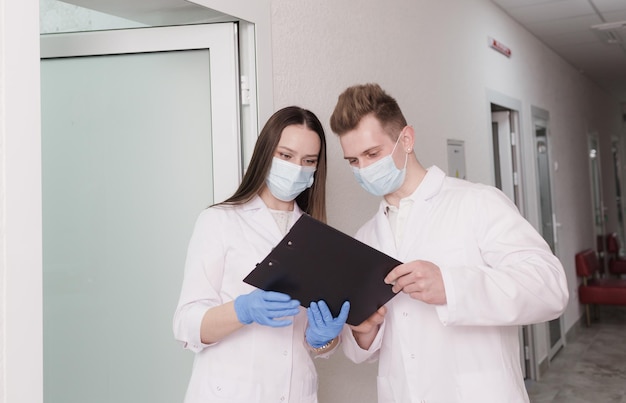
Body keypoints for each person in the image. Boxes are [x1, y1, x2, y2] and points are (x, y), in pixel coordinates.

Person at [329, 83, 569, 403]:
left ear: (407, 139)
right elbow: (367, 349)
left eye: (373, 154)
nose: (364, 169)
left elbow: (551, 288)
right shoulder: (365, 237)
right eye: (353, 161)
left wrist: (452, 286)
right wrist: (362, 332)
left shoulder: (477, 202)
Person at [173, 106, 350, 403]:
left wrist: (325, 339)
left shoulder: (317, 236)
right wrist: (242, 310)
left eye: (309, 161)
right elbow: (185, 324)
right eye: (286, 155)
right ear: (265, 155)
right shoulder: (219, 221)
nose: (297, 168)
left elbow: (310, 344)